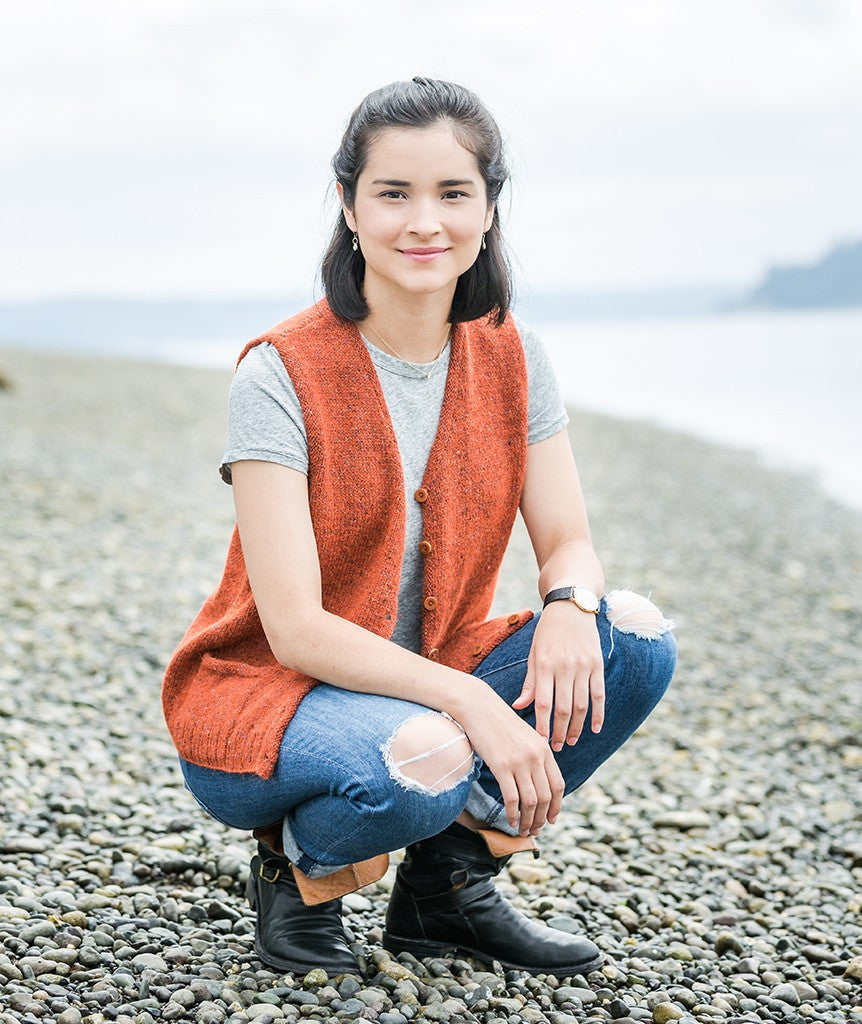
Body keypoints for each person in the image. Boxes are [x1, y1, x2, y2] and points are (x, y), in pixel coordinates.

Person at [162, 76, 677, 979]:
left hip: (432, 673)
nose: (424, 223)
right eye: (393, 193)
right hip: (273, 696)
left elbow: (568, 541)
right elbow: (296, 629)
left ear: (489, 207)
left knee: (630, 638)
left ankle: (447, 890)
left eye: (453, 193)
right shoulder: (278, 373)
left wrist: (567, 604)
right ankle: (299, 871)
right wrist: (472, 704)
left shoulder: (514, 353)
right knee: (428, 751)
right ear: (349, 205)